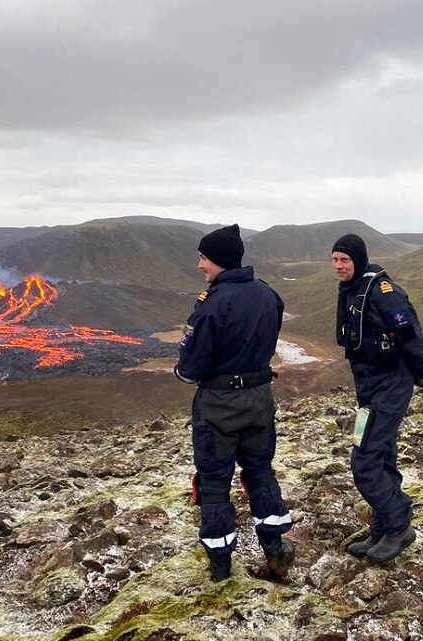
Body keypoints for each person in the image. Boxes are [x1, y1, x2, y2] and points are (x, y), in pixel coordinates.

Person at [174, 224, 294, 581]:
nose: (200, 266)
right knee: (260, 472)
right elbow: (266, 344)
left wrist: (185, 371)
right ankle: (275, 551)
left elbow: (191, 365)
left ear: (219, 260)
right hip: (259, 401)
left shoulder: (211, 304)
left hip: (218, 407)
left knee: (214, 483)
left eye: (203, 258)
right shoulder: (268, 295)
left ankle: (221, 567)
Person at [331, 234, 423, 562]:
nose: (338, 266)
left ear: (358, 260)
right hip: (370, 387)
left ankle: (400, 523)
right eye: (334, 260)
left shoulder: (382, 292)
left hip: (392, 384)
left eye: (344, 260)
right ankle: (382, 529)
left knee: (364, 462)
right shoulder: (351, 290)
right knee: (383, 455)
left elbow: (410, 333)